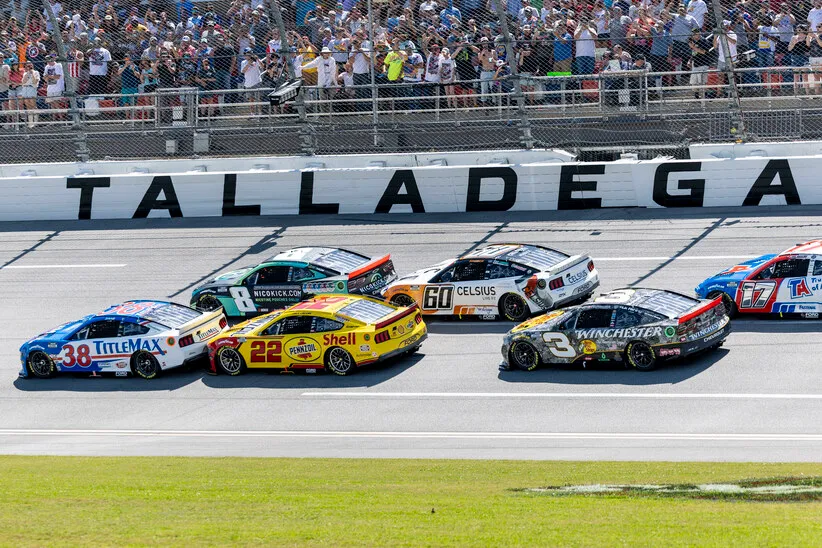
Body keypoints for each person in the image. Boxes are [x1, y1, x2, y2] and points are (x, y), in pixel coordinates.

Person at [240, 47, 263, 115]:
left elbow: (262, 66)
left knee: (258, 99)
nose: (247, 56)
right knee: (251, 99)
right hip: (248, 83)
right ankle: (252, 113)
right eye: (246, 54)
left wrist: (258, 59)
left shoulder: (256, 60)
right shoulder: (243, 62)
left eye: (249, 54)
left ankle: (260, 113)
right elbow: (243, 71)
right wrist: (249, 63)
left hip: (257, 81)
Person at [118, 53, 141, 118]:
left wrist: (133, 70)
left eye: (128, 58)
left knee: (134, 103)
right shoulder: (122, 66)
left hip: (133, 87)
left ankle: (134, 118)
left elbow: (138, 76)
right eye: (126, 59)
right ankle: (127, 117)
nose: (127, 60)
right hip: (125, 87)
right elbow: (119, 73)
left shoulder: (134, 66)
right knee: (126, 103)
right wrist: (125, 66)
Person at [43, 54, 64, 119]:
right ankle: (54, 119)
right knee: (52, 104)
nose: (48, 62)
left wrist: (48, 76)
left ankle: (61, 118)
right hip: (50, 87)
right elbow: (44, 77)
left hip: (58, 87)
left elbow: (57, 76)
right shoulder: (47, 67)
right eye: (47, 60)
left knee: (56, 103)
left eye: (49, 60)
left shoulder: (58, 65)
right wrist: (48, 77)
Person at [20, 61, 40, 128]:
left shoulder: (36, 72)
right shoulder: (25, 73)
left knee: (33, 105)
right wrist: (27, 74)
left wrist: (32, 73)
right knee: (28, 106)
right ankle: (30, 123)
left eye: (30, 66)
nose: (29, 67)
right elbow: (23, 82)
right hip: (25, 89)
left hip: (32, 88)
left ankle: (36, 122)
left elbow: (35, 82)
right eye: (27, 66)